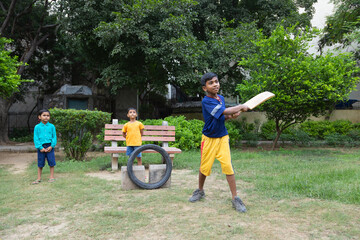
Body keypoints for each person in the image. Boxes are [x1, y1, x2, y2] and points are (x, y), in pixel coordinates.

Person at [189, 72, 250, 212]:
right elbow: (224, 111)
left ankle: (235, 198)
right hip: (209, 139)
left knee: (228, 166)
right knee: (204, 167)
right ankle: (200, 190)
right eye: (211, 83)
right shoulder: (206, 101)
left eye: (216, 81)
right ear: (205, 88)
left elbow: (222, 116)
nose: (215, 84)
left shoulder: (220, 98)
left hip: (222, 137)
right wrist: (240, 106)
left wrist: (232, 116)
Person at [32, 109, 57, 184]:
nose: (46, 117)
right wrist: (40, 147)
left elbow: (54, 137)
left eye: (48, 115)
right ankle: (39, 178)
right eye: (44, 115)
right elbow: (35, 138)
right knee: (40, 162)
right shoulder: (37, 127)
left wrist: (51, 146)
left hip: (50, 146)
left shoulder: (52, 126)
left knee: (51, 162)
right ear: (39, 117)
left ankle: (52, 177)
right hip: (41, 147)